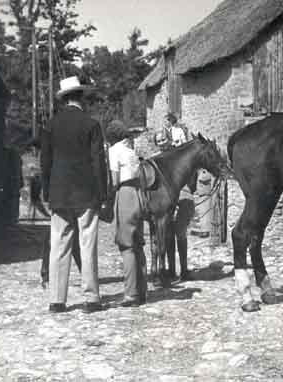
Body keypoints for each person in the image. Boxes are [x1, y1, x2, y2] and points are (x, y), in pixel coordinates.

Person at [41, 75, 108, 314]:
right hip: (86, 193)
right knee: (87, 244)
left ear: (64, 99)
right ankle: (91, 299)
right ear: (80, 97)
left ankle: (57, 301)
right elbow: (98, 163)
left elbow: (45, 162)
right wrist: (103, 194)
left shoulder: (51, 125)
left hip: (59, 193)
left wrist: (46, 192)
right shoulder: (91, 125)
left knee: (58, 245)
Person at [107, 120, 148, 306]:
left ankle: (131, 293)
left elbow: (114, 181)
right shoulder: (132, 152)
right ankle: (143, 290)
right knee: (138, 243)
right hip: (138, 194)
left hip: (124, 194)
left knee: (126, 245)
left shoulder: (114, 151)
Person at [153, 112, 195, 280]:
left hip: (182, 195)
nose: (162, 143)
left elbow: (189, 175)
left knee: (180, 232)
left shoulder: (178, 157)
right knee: (167, 233)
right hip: (164, 200)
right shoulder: (155, 160)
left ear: (169, 139)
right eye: (159, 141)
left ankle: (184, 269)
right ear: (156, 144)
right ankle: (170, 270)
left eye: (164, 139)